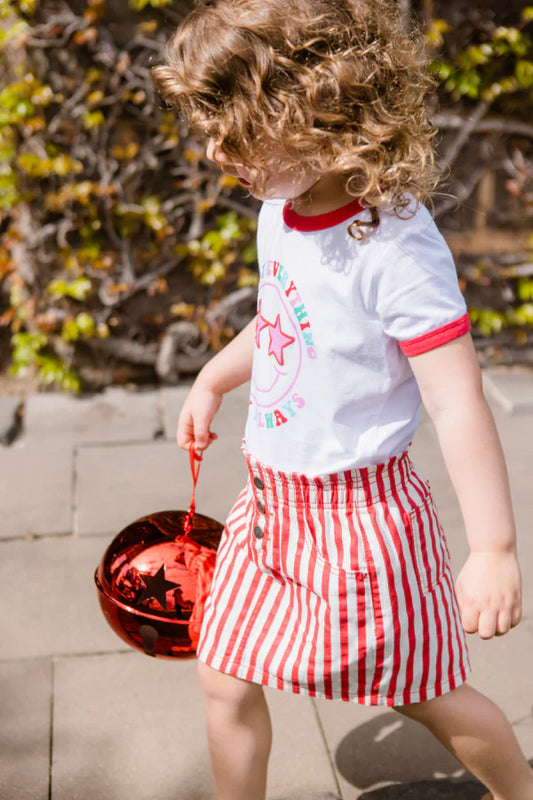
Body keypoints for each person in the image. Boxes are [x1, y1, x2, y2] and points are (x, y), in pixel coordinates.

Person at [151, 1, 533, 799]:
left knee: (423, 694)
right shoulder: (278, 214)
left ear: (319, 112)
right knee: (223, 672)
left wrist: (493, 549)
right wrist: (214, 377)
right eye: (207, 126)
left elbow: (459, 403)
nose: (214, 149)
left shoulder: (393, 249)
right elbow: (286, 323)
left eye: (235, 127)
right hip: (273, 511)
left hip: (360, 529)